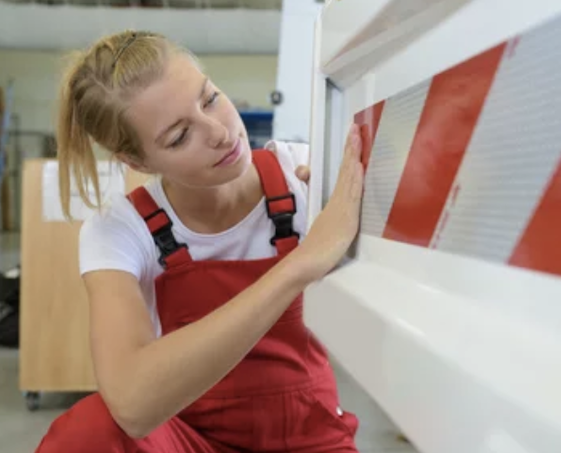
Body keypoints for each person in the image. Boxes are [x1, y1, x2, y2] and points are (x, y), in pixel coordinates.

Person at [36, 30, 365, 453]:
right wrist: (299, 266)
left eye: (209, 98)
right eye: (179, 136)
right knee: (88, 433)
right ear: (137, 161)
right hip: (192, 443)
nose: (220, 132)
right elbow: (132, 404)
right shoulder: (121, 229)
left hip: (310, 435)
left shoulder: (307, 178)